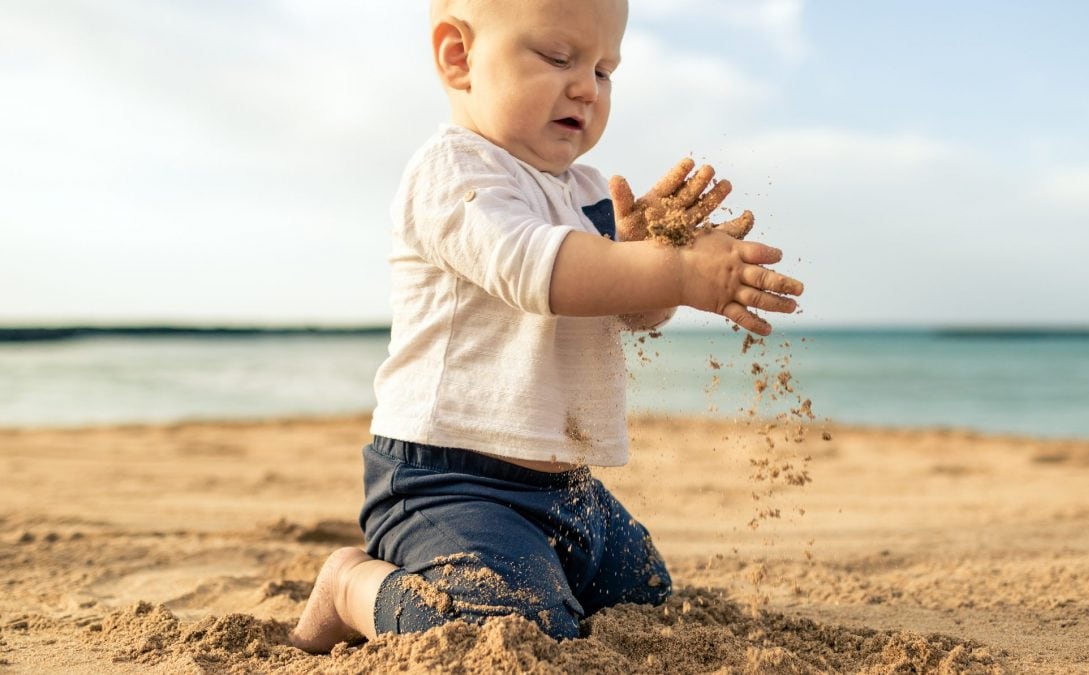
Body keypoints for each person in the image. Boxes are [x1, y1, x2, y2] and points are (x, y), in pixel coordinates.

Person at [289, 0, 804, 652]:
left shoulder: (584, 188)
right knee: (502, 627)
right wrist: (669, 269)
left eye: (604, 69)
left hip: (565, 489)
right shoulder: (454, 172)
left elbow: (626, 309)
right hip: (446, 481)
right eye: (559, 58)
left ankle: (546, 571)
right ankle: (350, 585)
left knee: (644, 595)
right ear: (458, 55)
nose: (587, 86)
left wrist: (648, 257)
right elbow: (544, 275)